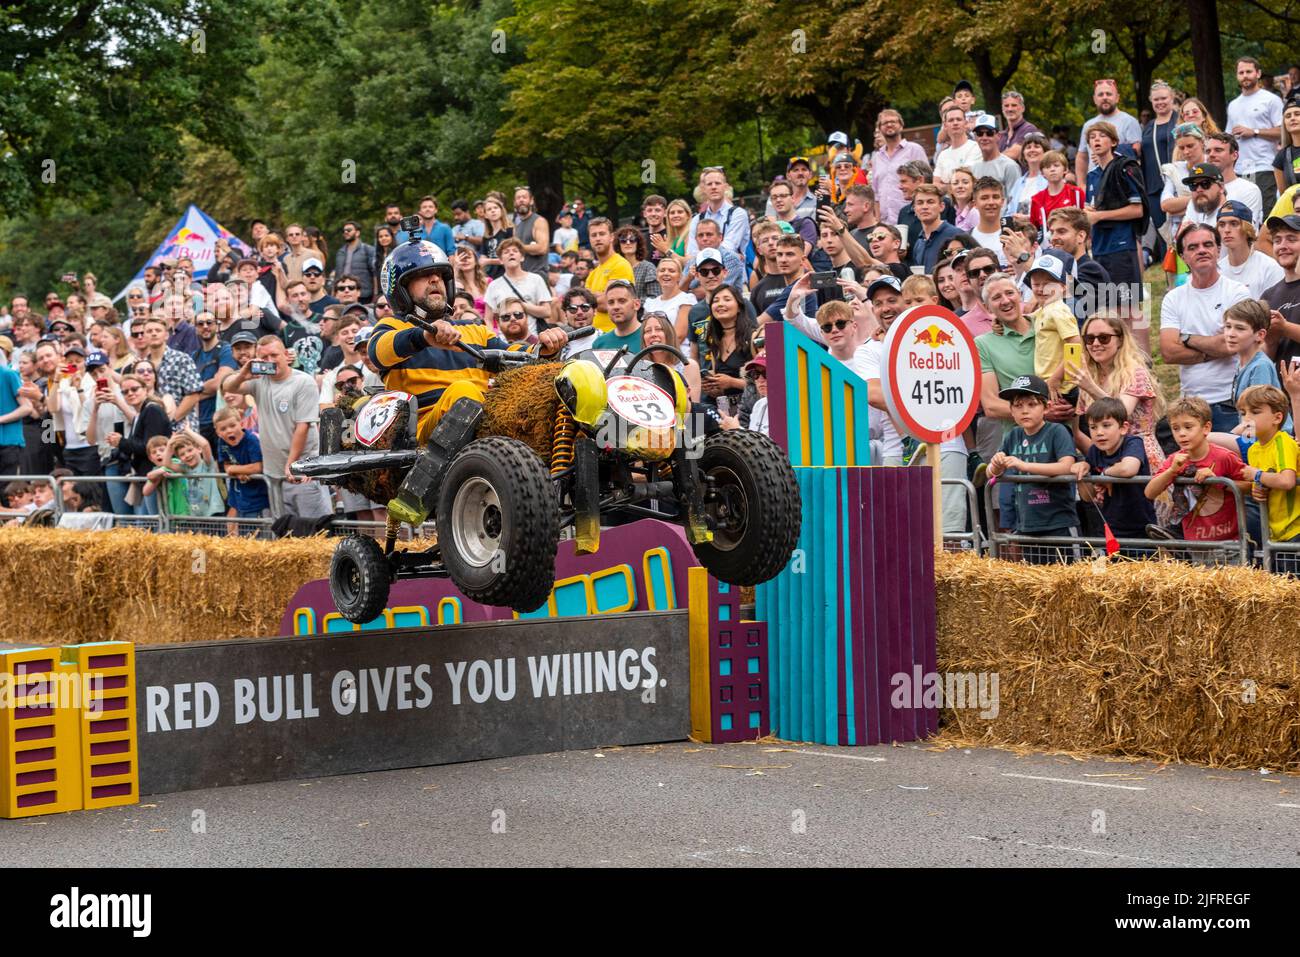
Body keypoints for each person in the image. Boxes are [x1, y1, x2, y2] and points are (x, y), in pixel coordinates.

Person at [1159, 223, 1252, 431]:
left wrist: (1187, 338)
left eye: (1207, 244)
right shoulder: (1173, 299)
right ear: (1182, 256)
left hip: (1231, 401)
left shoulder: (1237, 293)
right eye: (1193, 247)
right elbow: (1168, 352)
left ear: (1218, 250)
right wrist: (1212, 349)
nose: (1201, 250)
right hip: (1190, 405)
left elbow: (1230, 345)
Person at [985, 374, 1079, 563]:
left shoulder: (1056, 431)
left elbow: (1067, 466)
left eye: (1032, 404)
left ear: (1047, 407)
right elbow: (991, 473)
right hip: (1027, 524)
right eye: (1018, 406)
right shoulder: (1013, 435)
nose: (1024, 411)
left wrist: (1024, 465)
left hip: (1058, 522)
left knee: (1067, 579)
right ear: (1011, 411)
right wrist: (995, 464)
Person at [1068, 314, 1164, 472]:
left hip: (1139, 461)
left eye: (1104, 338)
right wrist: (1091, 462)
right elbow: (1081, 430)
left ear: (1120, 340)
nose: (1096, 344)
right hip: (1106, 459)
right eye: (1089, 339)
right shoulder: (1090, 377)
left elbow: (1121, 412)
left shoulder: (1135, 372)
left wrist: (1090, 387)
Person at [1145, 396, 1246, 543]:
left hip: (1229, 542)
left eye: (1188, 427)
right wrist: (1171, 471)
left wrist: (1219, 481)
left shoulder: (1224, 456)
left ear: (1206, 428)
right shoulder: (1174, 460)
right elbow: (1149, 492)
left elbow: (1249, 486)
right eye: (1175, 428)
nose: (1182, 434)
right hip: (1193, 542)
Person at [1071, 397, 1157, 544]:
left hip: (1140, 528)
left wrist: (1104, 475)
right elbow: (1088, 497)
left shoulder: (1133, 443)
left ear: (1123, 428)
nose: (1099, 433)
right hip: (1110, 527)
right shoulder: (1094, 451)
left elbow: (1128, 468)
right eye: (1093, 427)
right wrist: (1081, 474)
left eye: (1106, 425)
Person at [1236, 385, 1300, 557]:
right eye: (1243, 413)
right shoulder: (1253, 449)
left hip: (1296, 530)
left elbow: (1287, 481)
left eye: (1255, 412)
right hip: (1275, 532)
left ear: (1277, 417)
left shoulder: (1283, 442)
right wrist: (1257, 488)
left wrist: (1257, 475)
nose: (1247, 419)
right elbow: (1263, 482)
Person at [105, 373, 171, 515]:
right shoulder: (140, 414)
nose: (130, 393)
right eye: (125, 392)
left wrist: (121, 442)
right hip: (146, 477)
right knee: (144, 525)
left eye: (134, 389)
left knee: (153, 523)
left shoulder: (152, 409)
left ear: (145, 390)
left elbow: (150, 447)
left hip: (155, 477)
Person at [1227, 56, 1285, 211]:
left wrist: (1254, 132)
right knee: (1243, 218)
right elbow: (1228, 137)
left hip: (1265, 167)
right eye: (1241, 72)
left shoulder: (1271, 100)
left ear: (1258, 73)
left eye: (1248, 71)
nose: (1245, 75)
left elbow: (1283, 132)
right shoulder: (1233, 105)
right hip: (1239, 170)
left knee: (1266, 215)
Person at [1024, 256, 1081, 400]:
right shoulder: (1045, 309)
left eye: (1048, 284)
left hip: (1061, 386)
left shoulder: (1058, 311)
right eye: (1036, 284)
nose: (1042, 289)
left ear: (1063, 287)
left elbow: (1075, 344)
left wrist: (1057, 377)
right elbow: (1027, 317)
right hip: (1049, 383)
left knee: (1061, 420)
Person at [1075, 78, 1143, 188]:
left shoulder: (1129, 121)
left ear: (1117, 98)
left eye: (1109, 94)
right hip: (1094, 184)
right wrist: (1081, 184)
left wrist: (1107, 156)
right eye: (1100, 95)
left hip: (1120, 183)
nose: (1105, 97)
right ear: (1094, 99)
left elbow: (1136, 150)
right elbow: (1082, 156)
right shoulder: (1088, 125)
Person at [870, 109, 928, 224]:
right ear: (880, 128)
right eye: (885, 123)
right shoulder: (877, 157)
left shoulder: (914, 150)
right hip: (886, 223)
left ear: (901, 126)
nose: (889, 124)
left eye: (893, 121)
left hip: (912, 218)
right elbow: (875, 193)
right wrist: (877, 220)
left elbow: (927, 183)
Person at [214, 405, 271, 522]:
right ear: (217, 432)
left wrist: (234, 469)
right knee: (244, 532)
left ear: (241, 423)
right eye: (223, 429)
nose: (229, 430)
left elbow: (258, 466)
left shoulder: (251, 440)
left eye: (232, 425)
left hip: (258, 497)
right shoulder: (222, 442)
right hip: (239, 496)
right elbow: (226, 464)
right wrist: (237, 472)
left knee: (259, 534)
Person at [1217, 201, 1284, 297]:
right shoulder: (1217, 270)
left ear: (1247, 228)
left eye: (1234, 223)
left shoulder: (1269, 267)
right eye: (1222, 224)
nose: (1227, 230)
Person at [484, 238, 552, 333]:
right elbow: (488, 319)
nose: (511, 253)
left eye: (515, 251)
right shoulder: (493, 285)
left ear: (522, 257)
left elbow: (547, 312)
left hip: (532, 340)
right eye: (506, 252)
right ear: (500, 260)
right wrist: (493, 338)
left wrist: (521, 305)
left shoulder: (536, 279)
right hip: (505, 343)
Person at [1261, 213, 1300, 365]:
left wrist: (1285, 328)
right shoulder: (1268, 295)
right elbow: (1263, 359)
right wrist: (1271, 342)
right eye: (1277, 240)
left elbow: (1284, 329)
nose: (1283, 246)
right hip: (1279, 387)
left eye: (1291, 239)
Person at [584, 217, 635, 333]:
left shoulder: (620, 265)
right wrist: (599, 296)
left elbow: (606, 303)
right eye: (594, 235)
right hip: (596, 337)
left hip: (616, 335)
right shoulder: (593, 273)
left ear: (611, 237)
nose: (598, 238)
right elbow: (585, 305)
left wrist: (592, 296)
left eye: (602, 234)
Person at [970, 114, 1021, 204]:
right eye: (980, 134)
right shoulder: (973, 167)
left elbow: (1014, 201)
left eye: (989, 133)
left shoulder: (1010, 166)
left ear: (998, 136)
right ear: (975, 137)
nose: (984, 138)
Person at [642, 257, 695, 343]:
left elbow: (679, 336)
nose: (666, 273)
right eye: (662, 270)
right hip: (653, 351)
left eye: (671, 271)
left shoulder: (686, 299)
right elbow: (645, 333)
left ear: (680, 277)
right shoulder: (650, 303)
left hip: (678, 353)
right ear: (657, 276)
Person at [511, 187, 550, 278]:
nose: (521, 200)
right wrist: (530, 248)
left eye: (524, 197)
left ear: (531, 201)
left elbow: (542, 248)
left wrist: (518, 247)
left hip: (537, 276)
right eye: (518, 198)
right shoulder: (516, 227)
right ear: (514, 202)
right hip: (521, 276)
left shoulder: (539, 221)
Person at [1008, 134, 1049, 219]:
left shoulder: (1050, 180)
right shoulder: (1018, 183)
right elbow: (1009, 210)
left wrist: (1030, 218)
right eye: (1028, 147)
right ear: (1023, 153)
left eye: (1037, 146)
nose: (1032, 150)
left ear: (1045, 152)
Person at [615, 225, 660, 302]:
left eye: (632, 240)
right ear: (619, 244)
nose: (628, 243)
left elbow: (655, 297)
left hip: (643, 312)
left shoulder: (648, 268)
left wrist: (631, 304)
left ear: (638, 243)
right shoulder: (614, 268)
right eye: (623, 240)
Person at [998, 90, 1043, 167]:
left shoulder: (1029, 129)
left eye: (1014, 105)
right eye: (1006, 106)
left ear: (1022, 108)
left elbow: (1014, 153)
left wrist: (991, 160)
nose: (1010, 109)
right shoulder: (1002, 134)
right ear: (1002, 109)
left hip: (1023, 178)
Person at [1273, 99, 1300, 194]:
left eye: (1297, 114)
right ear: (1284, 123)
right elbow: (1284, 197)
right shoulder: (1281, 156)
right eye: (1288, 116)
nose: (1292, 118)